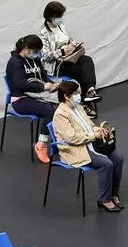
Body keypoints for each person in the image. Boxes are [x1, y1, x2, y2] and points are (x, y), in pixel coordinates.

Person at [52, 81, 123, 212]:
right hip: (75, 149)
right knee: (106, 164)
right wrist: (92, 136)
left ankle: (113, 193)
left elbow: (89, 125)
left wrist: (98, 130)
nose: (79, 95)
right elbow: (71, 138)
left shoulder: (78, 107)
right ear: (67, 96)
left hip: (90, 142)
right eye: (76, 93)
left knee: (117, 158)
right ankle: (104, 199)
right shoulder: (60, 114)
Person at [38, 0, 101, 114]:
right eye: (58, 16)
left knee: (87, 60)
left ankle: (90, 90)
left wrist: (74, 45)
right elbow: (45, 56)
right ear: (50, 16)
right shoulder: (43, 33)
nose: (60, 19)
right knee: (80, 71)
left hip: (70, 57)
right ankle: (86, 104)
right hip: (57, 64)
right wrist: (62, 51)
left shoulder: (61, 26)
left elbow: (69, 39)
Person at [6, 35, 60, 163]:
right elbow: (20, 84)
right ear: (26, 49)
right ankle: (41, 145)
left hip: (37, 95)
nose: (37, 54)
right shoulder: (14, 62)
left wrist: (53, 85)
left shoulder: (35, 60)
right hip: (20, 99)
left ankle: (58, 142)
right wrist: (43, 87)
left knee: (62, 106)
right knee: (50, 111)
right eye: (35, 51)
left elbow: (43, 76)